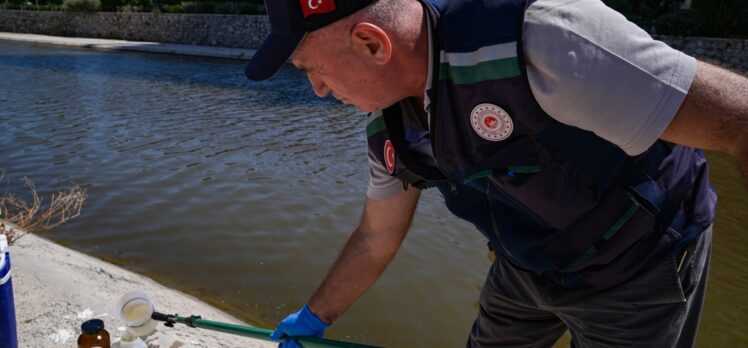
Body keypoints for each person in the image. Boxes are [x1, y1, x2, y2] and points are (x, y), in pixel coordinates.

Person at [245, 0, 748, 346]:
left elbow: (740, 122)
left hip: (637, 266)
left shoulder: (545, 39)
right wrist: (317, 315)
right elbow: (377, 236)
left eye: (313, 69)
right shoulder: (388, 124)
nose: (317, 89)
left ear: (372, 44)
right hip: (525, 263)